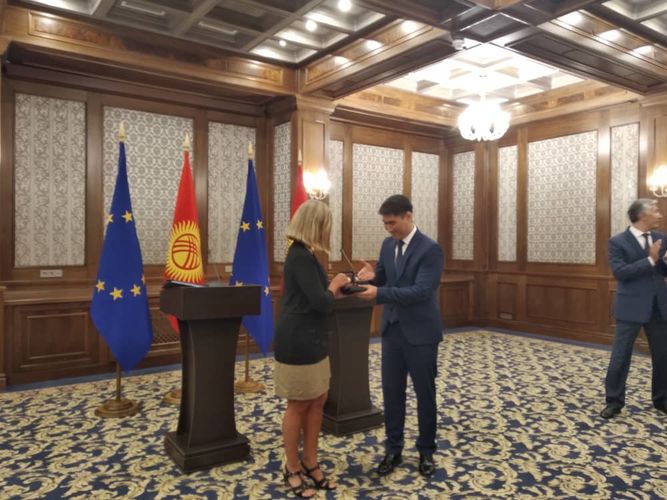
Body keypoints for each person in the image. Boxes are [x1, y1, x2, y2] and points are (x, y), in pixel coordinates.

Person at [356, 194, 444, 477]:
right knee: (392, 394)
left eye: (392, 223)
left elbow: (421, 291)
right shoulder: (387, 244)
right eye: (385, 223)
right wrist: (370, 277)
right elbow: (384, 279)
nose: (388, 228)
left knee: (424, 394)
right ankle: (393, 449)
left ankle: (426, 451)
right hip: (392, 331)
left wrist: (379, 292)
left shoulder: (430, 249)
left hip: (421, 334)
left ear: (408, 216)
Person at [274, 199, 350, 497]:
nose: (327, 232)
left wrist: (339, 290)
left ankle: (310, 460)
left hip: (313, 338)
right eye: (325, 226)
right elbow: (320, 301)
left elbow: (318, 299)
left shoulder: (307, 254)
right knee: (298, 403)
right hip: (298, 341)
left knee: (318, 399)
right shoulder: (299, 256)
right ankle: (292, 467)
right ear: (315, 226)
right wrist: (336, 284)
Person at [601, 198, 667, 419]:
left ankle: (661, 399)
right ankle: (614, 402)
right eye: (656, 211)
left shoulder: (661, 238)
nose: (660, 215)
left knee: (663, 356)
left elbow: (662, 271)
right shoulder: (617, 242)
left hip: (659, 306)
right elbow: (620, 273)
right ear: (642, 215)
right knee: (620, 357)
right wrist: (650, 260)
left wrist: (665, 263)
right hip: (630, 307)